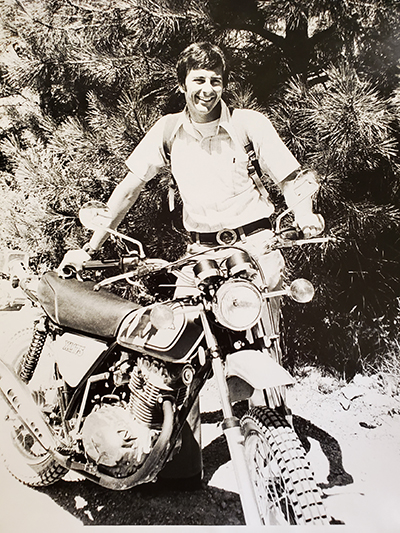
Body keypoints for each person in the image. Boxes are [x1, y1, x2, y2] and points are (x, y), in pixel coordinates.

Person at [60, 42, 324, 489]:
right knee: (182, 350)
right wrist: (93, 243)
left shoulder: (248, 125)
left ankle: (281, 437)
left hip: (255, 242)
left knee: (262, 335)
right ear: (183, 84)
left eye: (215, 80)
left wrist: (303, 213)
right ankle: (182, 462)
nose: (207, 89)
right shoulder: (167, 131)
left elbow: (292, 179)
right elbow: (129, 188)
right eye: (198, 80)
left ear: (225, 84)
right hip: (198, 251)